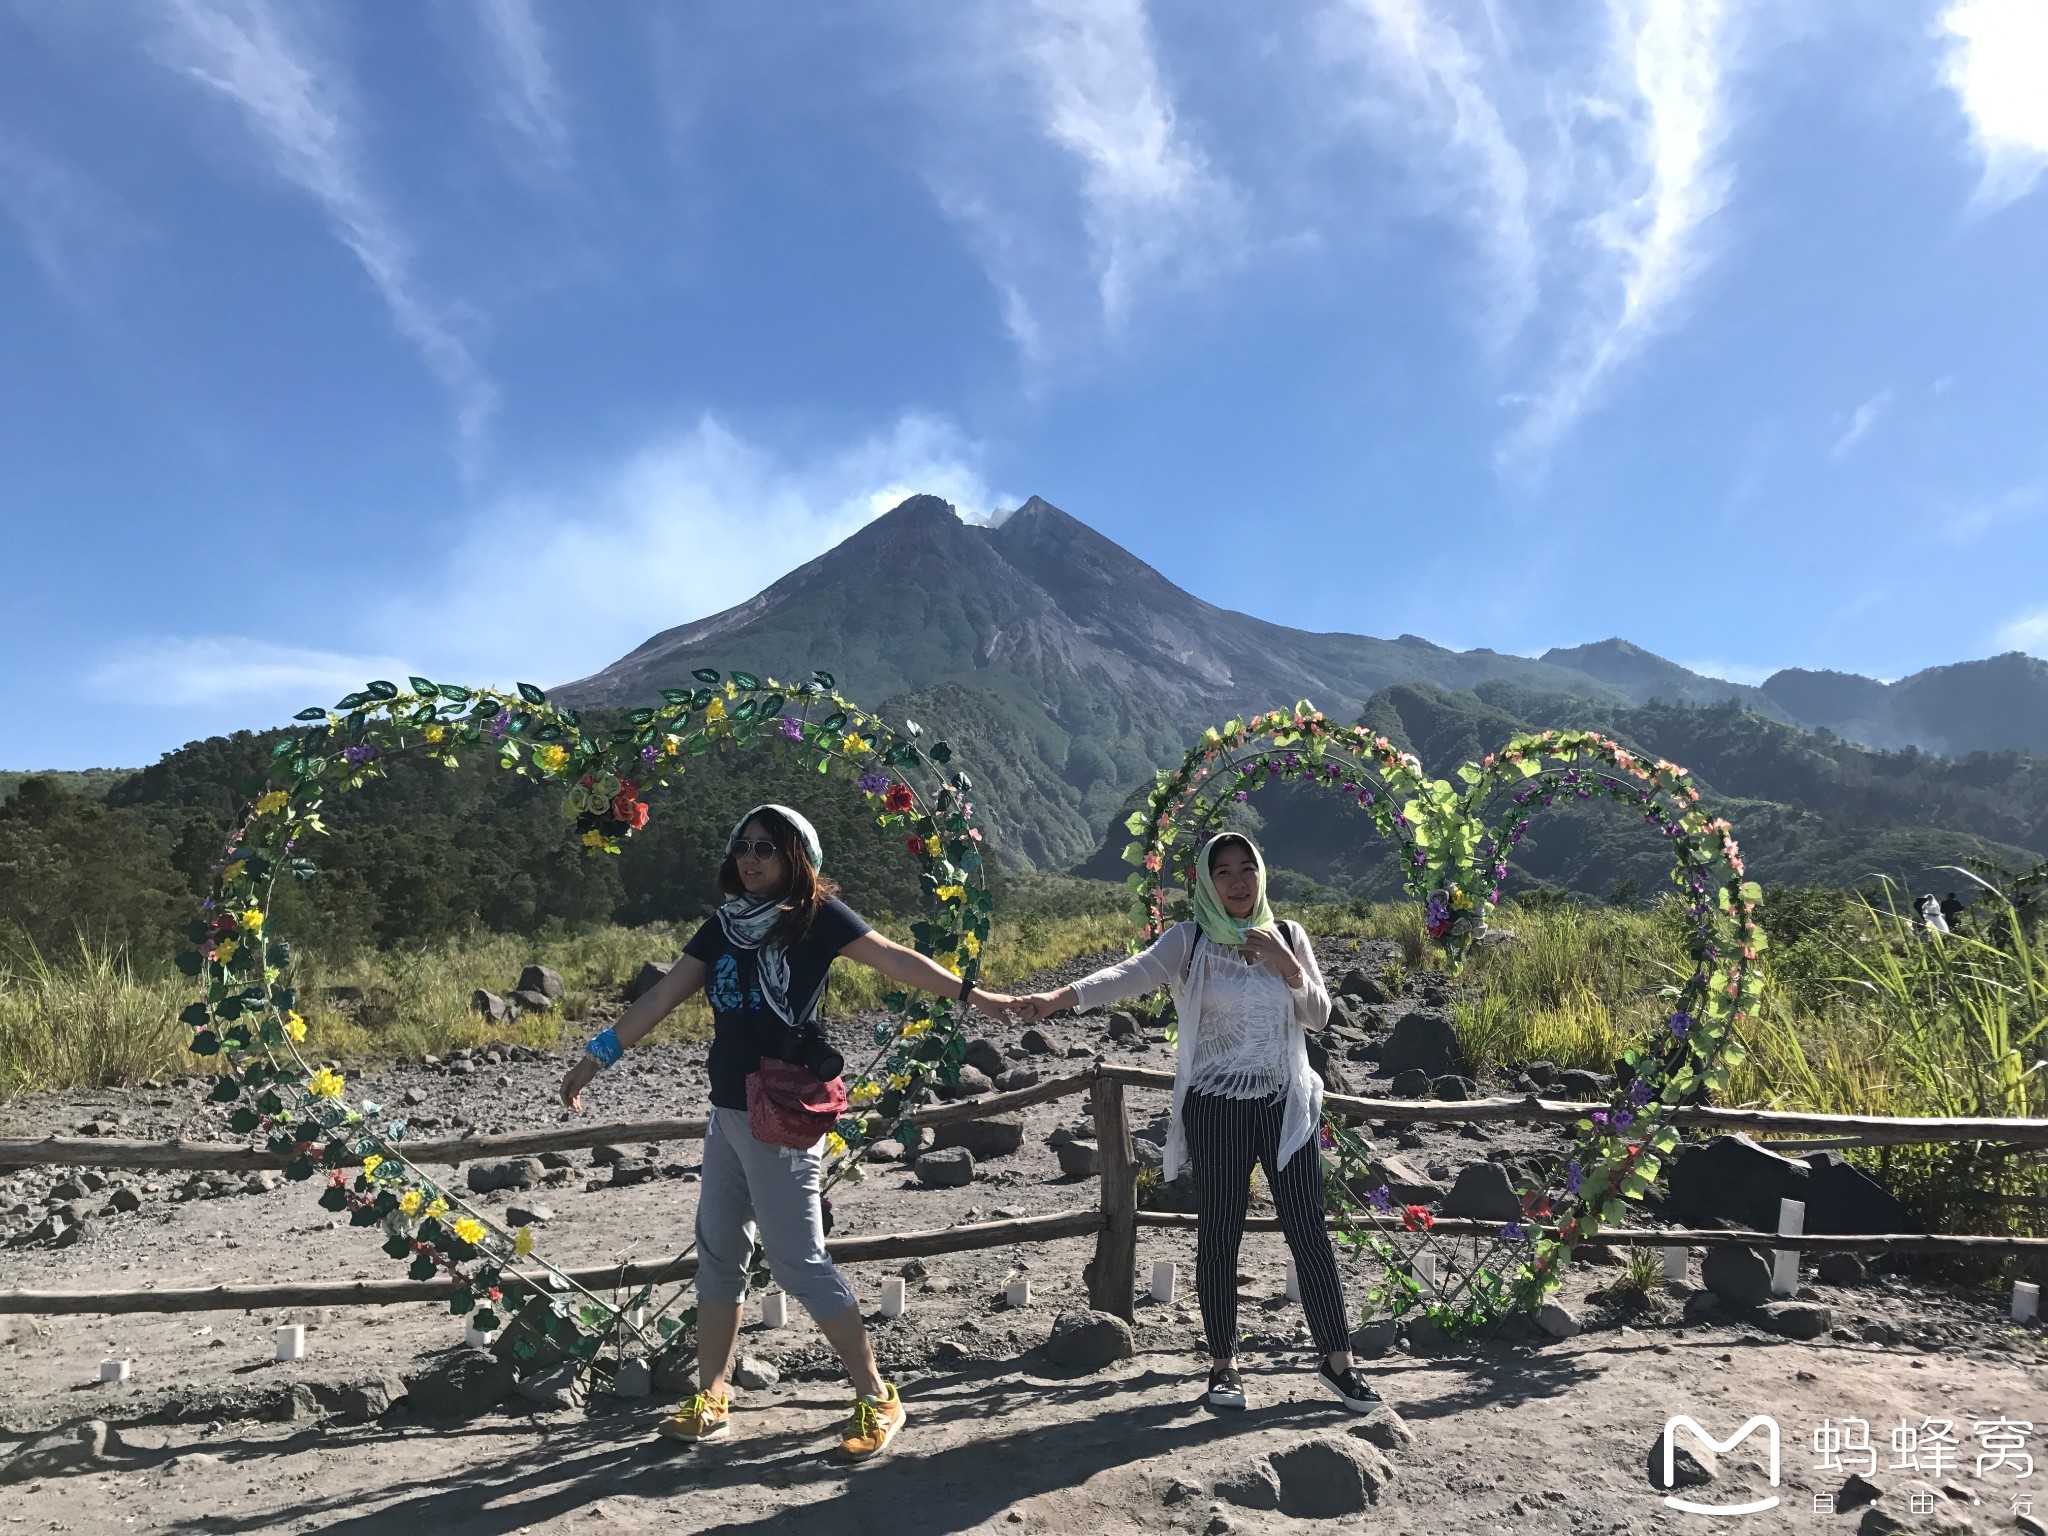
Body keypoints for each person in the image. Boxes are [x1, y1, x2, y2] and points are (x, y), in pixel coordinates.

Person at [559, 803, 1019, 1458]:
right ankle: (712, 1394)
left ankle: (877, 1396)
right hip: (728, 1112)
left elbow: (893, 958)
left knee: (799, 1262)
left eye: (766, 848)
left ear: (796, 856)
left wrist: (977, 996)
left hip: (785, 1111)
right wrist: (593, 1059)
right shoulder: (720, 927)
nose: (750, 859)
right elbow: (661, 998)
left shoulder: (816, 918)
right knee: (718, 1257)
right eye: (743, 846)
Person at [1009, 832, 1378, 1415]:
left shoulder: (1288, 936)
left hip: (1287, 1104)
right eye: (1223, 871)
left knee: (1309, 1231)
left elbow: (1318, 1016)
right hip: (1217, 1106)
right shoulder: (1192, 939)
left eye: (1246, 868)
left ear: (1261, 874)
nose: (1237, 881)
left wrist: (1286, 967)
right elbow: (1128, 974)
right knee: (1221, 1232)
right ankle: (1224, 1365)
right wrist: (1058, 998)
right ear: (1206, 883)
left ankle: (1338, 1362)